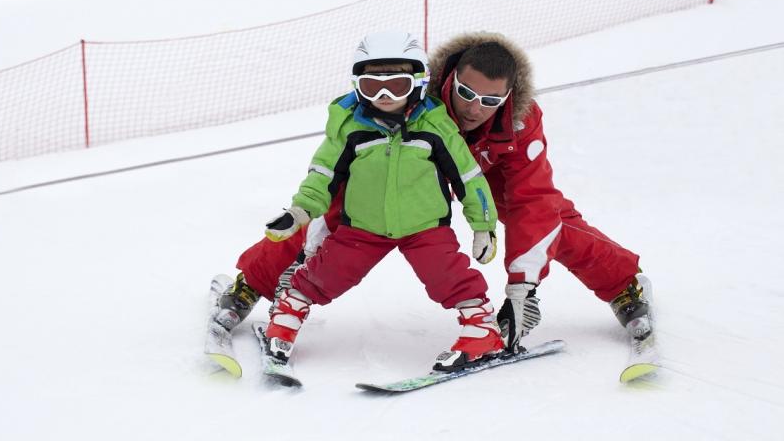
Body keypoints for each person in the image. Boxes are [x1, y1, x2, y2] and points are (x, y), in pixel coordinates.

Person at [213, 31, 649, 360]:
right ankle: (250, 284)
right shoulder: (417, 100)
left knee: (549, 219)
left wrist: (523, 288)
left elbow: (533, 200)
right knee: (336, 213)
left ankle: (623, 287)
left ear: (509, 97)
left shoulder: (519, 121)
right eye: (465, 92)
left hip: (484, 177)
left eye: (491, 100)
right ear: (450, 79)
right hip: (404, 166)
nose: (475, 107)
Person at [260, 30, 504, 371]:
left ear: (418, 83)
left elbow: (469, 177)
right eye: (373, 87)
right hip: (363, 226)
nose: (386, 96)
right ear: (358, 85)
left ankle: (481, 329)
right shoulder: (350, 127)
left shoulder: (435, 126)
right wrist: (300, 211)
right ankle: (287, 314)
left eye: (397, 86)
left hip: (424, 226)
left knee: (448, 275)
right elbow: (323, 174)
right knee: (326, 274)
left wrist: (484, 226)